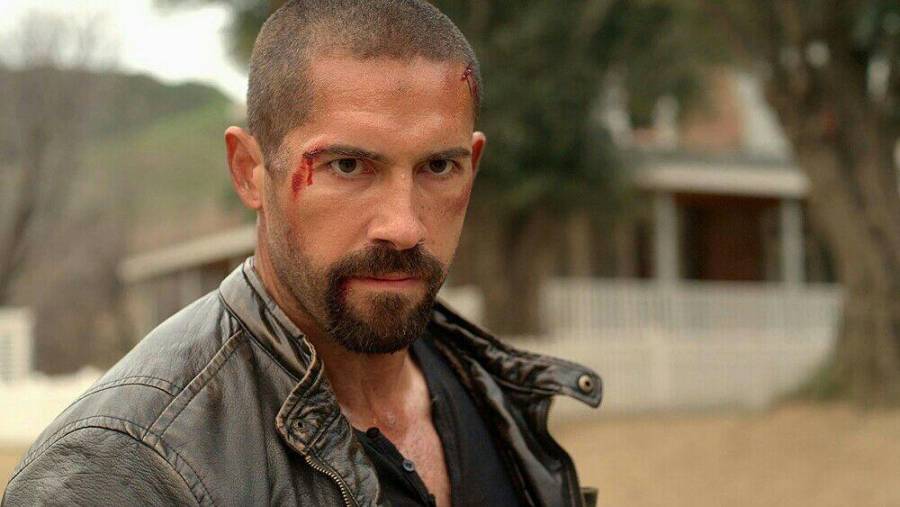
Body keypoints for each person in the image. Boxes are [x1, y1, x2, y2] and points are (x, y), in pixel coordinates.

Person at [3, 1, 601, 505]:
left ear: (474, 163)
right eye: (348, 165)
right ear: (249, 171)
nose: (403, 226)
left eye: (439, 167)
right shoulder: (125, 469)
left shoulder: (496, 399)